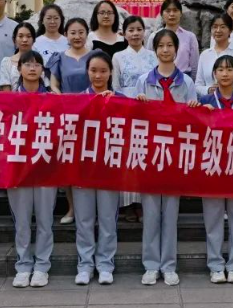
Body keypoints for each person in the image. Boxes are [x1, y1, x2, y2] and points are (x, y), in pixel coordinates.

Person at [135, 29, 197, 286]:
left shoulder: (187, 83)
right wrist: (138, 105)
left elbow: (194, 121)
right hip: (150, 154)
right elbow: (135, 120)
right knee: (150, 214)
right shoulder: (143, 81)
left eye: (170, 45)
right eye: (161, 45)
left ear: (176, 49)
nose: (165, 50)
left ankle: (169, 265)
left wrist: (193, 109)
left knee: (170, 214)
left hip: (175, 154)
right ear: (155, 49)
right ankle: (151, 265)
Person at [197, 55, 233, 284]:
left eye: (230, 69)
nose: (225, 73)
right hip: (212, 168)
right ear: (214, 74)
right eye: (220, 69)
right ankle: (216, 265)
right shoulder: (204, 101)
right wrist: (200, 113)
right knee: (213, 221)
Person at [7, 50, 56, 289]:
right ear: (19, 69)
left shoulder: (54, 99)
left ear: (42, 70)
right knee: (22, 222)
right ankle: (23, 265)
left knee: (45, 220)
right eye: (27, 64)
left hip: (45, 166)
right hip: (18, 168)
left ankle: (42, 266)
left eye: (37, 64)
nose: (32, 68)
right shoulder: (8, 100)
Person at [74, 51, 124, 286]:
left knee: (107, 219)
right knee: (84, 220)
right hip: (83, 169)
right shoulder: (77, 101)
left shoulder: (120, 100)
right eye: (93, 70)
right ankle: (85, 264)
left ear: (111, 72)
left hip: (109, 168)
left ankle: (105, 264)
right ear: (87, 72)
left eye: (103, 71)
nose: (98, 75)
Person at [47, 17, 93, 226]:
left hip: (91, 115)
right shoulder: (59, 58)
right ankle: (72, 208)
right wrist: (62, 99)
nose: (77, 36)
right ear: (66, 34)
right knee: (69, 163)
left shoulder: (95, 56)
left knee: (89, 162)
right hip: (67, 116)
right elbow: (53, 84)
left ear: (87, 33)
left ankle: (91, 209)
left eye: (81, 32)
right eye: (73, 32)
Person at [112, 15, 156, 221]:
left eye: (139, 29)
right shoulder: (118, 57)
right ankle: (128, 204)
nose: (135, 33)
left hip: (148, 110)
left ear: (144, 32)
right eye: (131, 30)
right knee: (128, 157)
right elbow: (115, 86)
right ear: (124, 33)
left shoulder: (153, 56)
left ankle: (145, 202)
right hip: (126, 109)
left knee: (145, 155)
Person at [195, 13, 233, 98]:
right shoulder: (204, 55)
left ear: (230, 30)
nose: (218, 30)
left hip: (232, 102)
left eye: (223, 27)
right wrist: (208, 89)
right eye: (214, 27)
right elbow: (197, 85)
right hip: (209, 102)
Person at [145, 0, 199, 80]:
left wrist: (191, 83)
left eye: (175, 10)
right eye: (168, 11)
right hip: (159, 80)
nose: (172, 14)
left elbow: (194, 66)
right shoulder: (154, 36)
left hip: (183, 80)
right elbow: (149, 62)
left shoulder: (190, 37)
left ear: (180, 13)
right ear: (162, 14)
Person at [33, 4, 69, 83]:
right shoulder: (36, 43)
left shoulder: (68, 42)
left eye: (56, 18)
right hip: (43, 85)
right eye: (49, 18)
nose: (52, 21)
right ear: (42, 20)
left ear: (61, 20)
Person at [0, 22, 36, 91]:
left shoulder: (39, 61)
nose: (25, 40)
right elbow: (6, 91)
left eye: (28, 36)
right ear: (14, 40)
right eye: (20, 36)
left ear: (34, 40)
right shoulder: (6, 62)